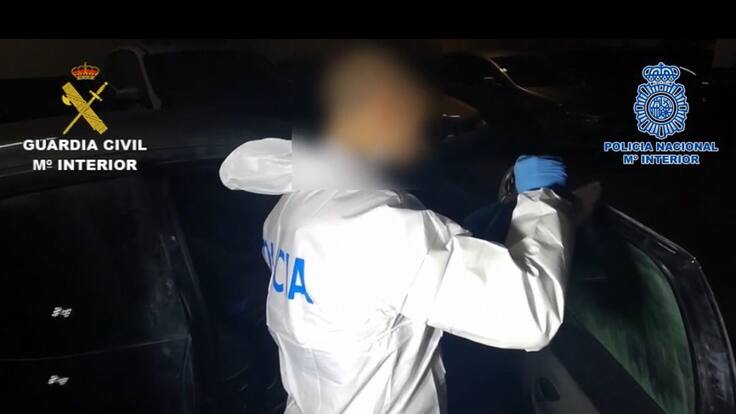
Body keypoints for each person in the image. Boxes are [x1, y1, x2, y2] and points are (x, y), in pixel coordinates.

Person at [219, 44, 575, 414]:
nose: (427, 122)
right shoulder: (378, 227)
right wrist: (541, 199)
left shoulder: (292, 207)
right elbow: (528, 315)